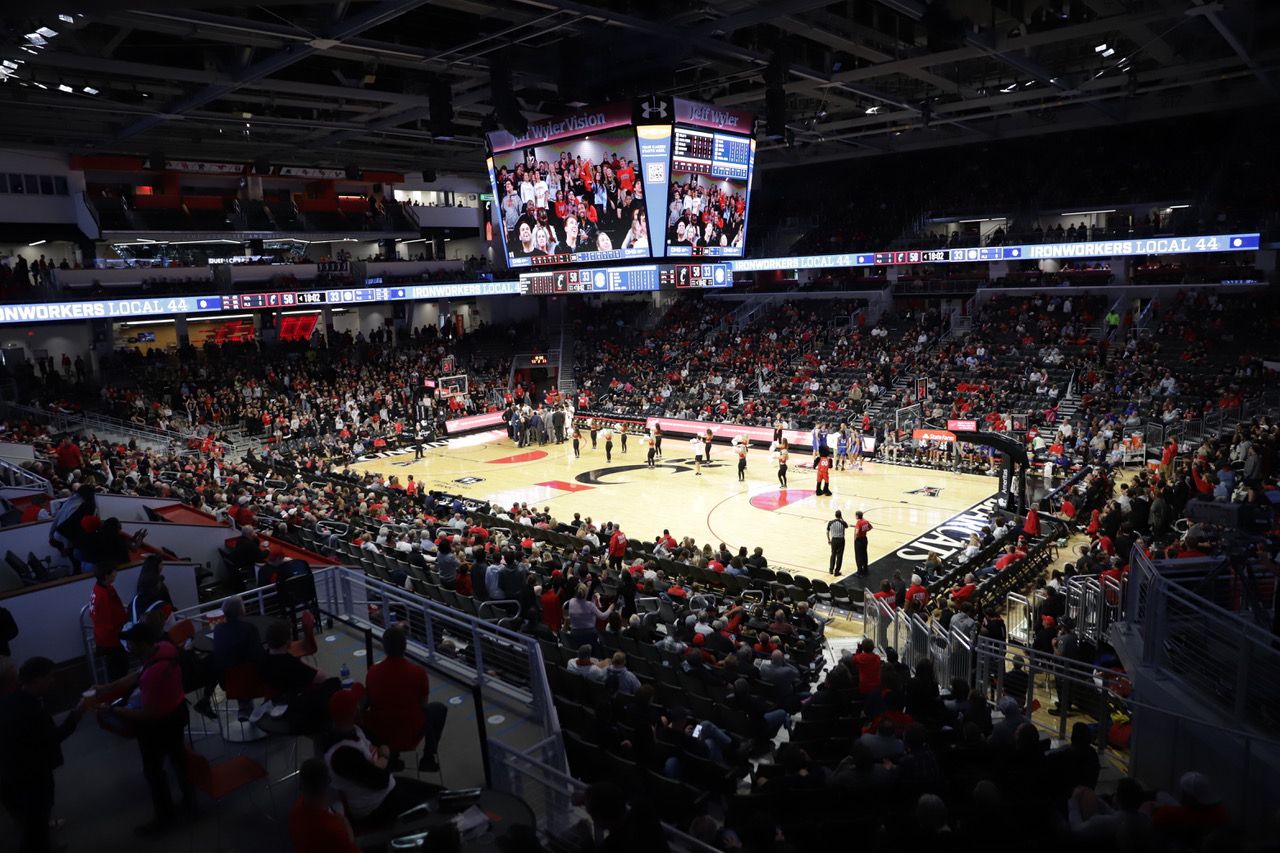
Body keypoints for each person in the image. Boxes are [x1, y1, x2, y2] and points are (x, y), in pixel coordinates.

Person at [103, 621, 195, 835]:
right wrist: (110, 687)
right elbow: (138, 674)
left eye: (132, 644)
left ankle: (165, 818)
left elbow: (148, 713)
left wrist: (117, 711)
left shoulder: (154, 674)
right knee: (178, 760)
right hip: (178, 711)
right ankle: (190, 804)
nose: (129, 648)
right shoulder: (165, 648)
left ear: (143, 643)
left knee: (154, 771)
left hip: (158, 725)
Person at [0, 657, 88, 853]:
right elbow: (53, 737)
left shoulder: (12, 701)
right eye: (49, 677)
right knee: (36, 826)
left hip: (16, 773)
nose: (53, 681)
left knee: (34, 822)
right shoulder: (30, 709)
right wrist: (76, 715)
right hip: (33, 775)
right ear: (37, 680)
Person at [321, 686, 440, 830]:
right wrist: (383, 757)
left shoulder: (354, 728)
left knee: (438, 792)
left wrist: (381, 760)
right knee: (436, 800)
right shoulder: (342, 754)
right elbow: (380, 780)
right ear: (354, 712)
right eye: (357, 705)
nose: (360, 706)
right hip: (376, 806)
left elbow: (381, 743)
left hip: (386, 788)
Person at [364, 625, 449, 772]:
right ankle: (428, 758)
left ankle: (393, 757)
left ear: (384, 647)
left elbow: (371, 702)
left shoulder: (372, 672)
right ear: (405, 646)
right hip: (410, 733)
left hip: (381, 733)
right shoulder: (418, 673)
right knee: (438, 709)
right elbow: (424, 705)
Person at [289, 758, 361, 853]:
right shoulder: (333, 829)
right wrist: (346, 824)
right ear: (327, 782)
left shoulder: (296, 808)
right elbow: (351, 847)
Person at [212, 595, 264, 721]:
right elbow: (259, 656)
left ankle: (245, 707)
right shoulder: (250, 629)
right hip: (250, 678)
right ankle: (273, 702)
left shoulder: (218, 629)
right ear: (241, 611)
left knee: (236, 663)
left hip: (227, 682)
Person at [90, 564, 129, 680]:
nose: (116, 573)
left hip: (104, 636)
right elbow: (109, 620)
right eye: (114, 571)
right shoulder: (103, 595)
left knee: (118, 669)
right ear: (107, 576)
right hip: (110, 640)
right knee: (119, 672)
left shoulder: (100, 588)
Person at [827, 510, 847, 576]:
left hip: (834, 540)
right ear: (840, 515)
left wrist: (829, 540)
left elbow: (827, 532)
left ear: (835, 515)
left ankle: (830, 570)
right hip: (841, 540)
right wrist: (842, 518)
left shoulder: (830, 522)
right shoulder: (843, 522)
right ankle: (837, 571)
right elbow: (846, 526)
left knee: (833, 554)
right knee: (839, 556)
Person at [853, 510, 873, 578]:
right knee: (864, 554)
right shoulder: (866, 521)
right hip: (865, 539)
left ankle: (859, 571)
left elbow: (857, 532)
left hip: (859, 540)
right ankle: (865, 569)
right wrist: (865, 531)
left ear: (857, 516)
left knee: (858, 556)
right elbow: (870, 527)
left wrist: (855, 538)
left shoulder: (859, 522)